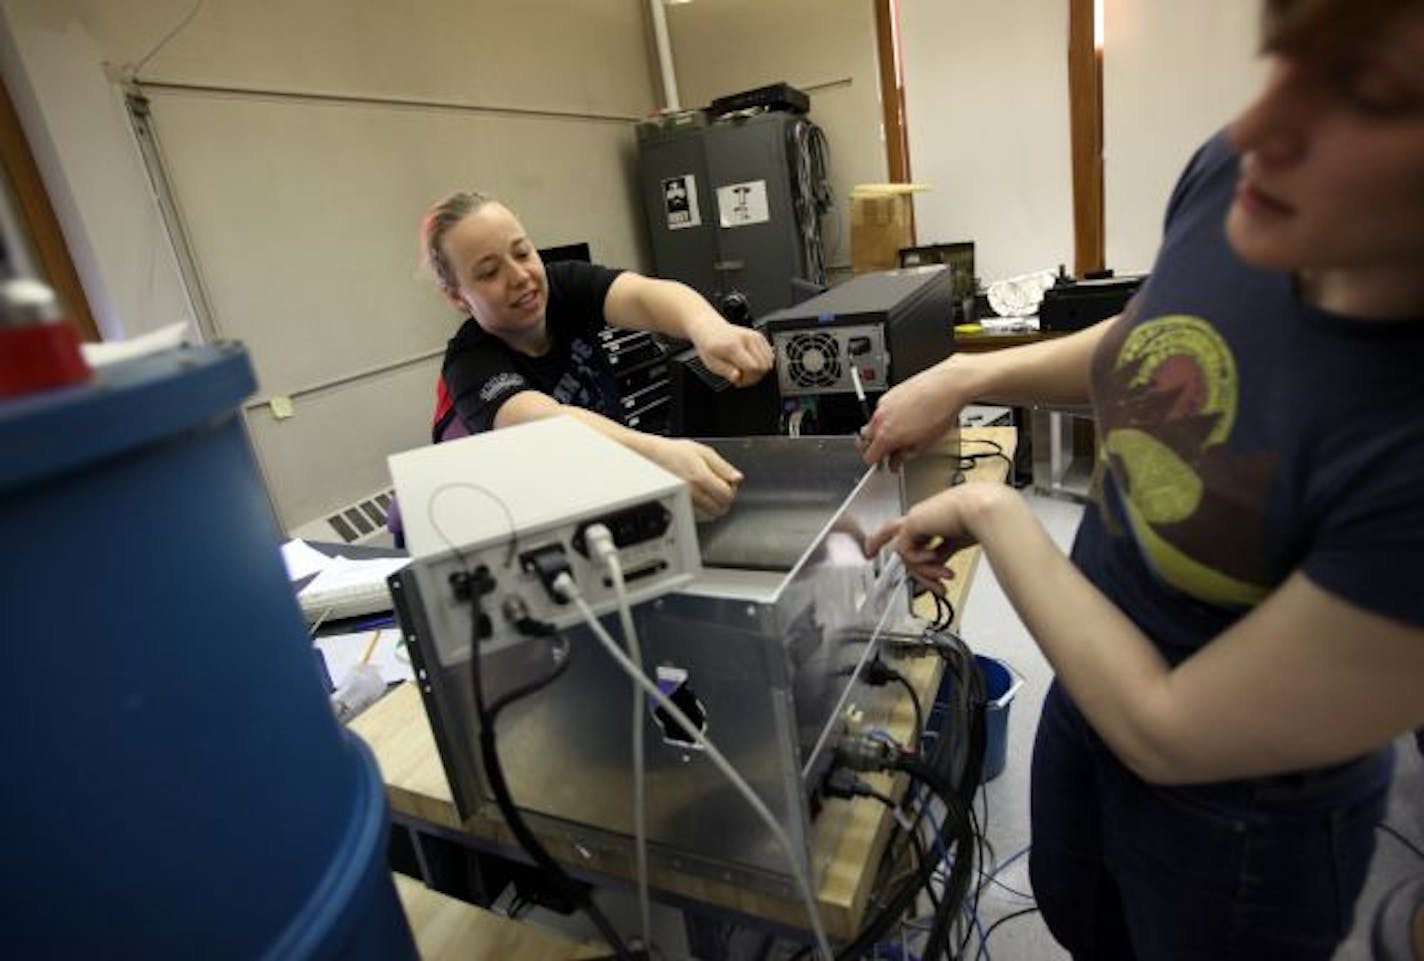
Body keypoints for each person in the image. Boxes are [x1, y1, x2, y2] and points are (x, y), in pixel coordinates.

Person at [861, 0, 1424, 957]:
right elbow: (1152, 341)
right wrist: (968, 372)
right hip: (1091, 683)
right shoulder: (1241, 182)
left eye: (1362, 92)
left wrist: (993, 509)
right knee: (1080, 910)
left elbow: (1172, 729)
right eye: (1285, 59)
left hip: (1238, 819)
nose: (1256, 129)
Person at [420, 191, 774, 520]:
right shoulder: (469, 363)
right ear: (456, 296)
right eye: (489, 272)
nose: (519, 276)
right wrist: (656, 455)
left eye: (523, 252)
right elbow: (544, 423)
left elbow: (643, 296)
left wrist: (707, 328)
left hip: (605, 492)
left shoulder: (563, 288)